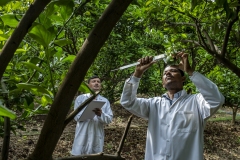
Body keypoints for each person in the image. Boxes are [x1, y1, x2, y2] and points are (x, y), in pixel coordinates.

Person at [120, 52, 225, 160]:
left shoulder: (196, 102)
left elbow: (217, 99)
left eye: (173, 71)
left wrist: (189, 70)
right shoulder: (153, 104)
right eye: (165, 73)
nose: (168, 74)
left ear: (183, 78)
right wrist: (137, 74)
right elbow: (127, 101)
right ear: (162, 83)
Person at [71, 75, 113, 155]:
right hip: (82, 133)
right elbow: (76, 117)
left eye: (98, 82)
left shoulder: (104, 101)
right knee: (79, 156)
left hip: (96, 134)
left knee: (95, 156)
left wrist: (101, 114)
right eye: (94, 81)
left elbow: (109, 119)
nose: (96, 83)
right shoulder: (80, 99)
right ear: (88, 85)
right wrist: (88, 112)